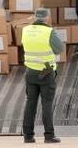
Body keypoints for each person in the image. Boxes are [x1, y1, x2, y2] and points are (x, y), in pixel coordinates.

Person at [21, 8, 65, 144]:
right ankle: (49, 135)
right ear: (47, 17)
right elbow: (59, 49)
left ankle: (28, 136)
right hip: (46, 73)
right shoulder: (49, 31)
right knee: (47, 104)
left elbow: (24, 45)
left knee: (30, 104)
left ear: (34, 17)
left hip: (30, 72)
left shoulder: (25, 30)